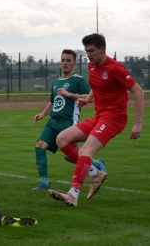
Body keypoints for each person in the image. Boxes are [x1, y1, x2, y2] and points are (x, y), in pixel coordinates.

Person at [48, 34, 144, 206]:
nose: (89, 54)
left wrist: (138, 123)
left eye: (91, 51)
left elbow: (138, 92)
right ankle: (95, 173)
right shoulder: (92, 65)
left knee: (85, 151)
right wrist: (88, 99)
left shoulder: (115, 68)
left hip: (114, 118)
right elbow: (97, 85)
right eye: (86, 51)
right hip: (100, 116)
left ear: (102, 50)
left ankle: (73, 194)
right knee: (62, 138)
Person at [33, 49, 106, 190]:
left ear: (74, 63)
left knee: (71, 156)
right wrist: (43, 113)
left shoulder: (78, 80)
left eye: (68, 60)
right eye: (63, 60)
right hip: (53, 121)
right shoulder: (56, 82)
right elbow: (53, 101)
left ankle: (97, 164)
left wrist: (70, 94)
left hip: (68, 122)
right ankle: (44, 182)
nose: (65, 63)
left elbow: (90, 97)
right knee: (39, 147)